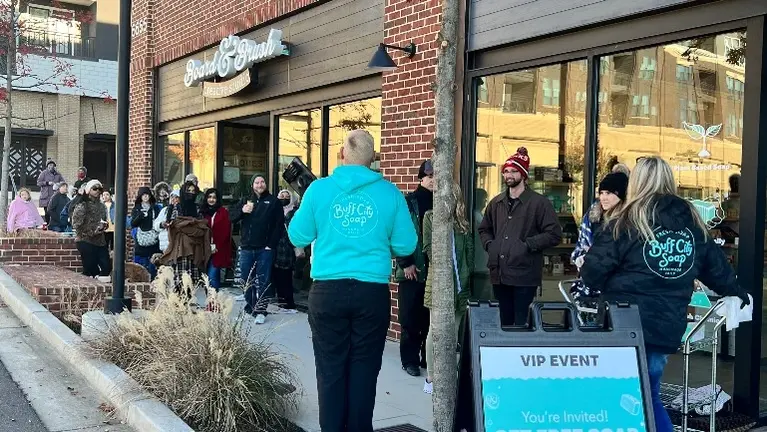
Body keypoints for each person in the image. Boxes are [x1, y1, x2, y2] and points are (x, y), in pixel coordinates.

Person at [580, 156, 750, 432]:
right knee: (647, 394)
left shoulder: (626, 220)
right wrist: (737, 292)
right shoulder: (691, 222)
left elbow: (592, 273)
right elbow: (717, 270)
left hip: (625, 322)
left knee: (631, 396)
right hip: (667, 324)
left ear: (636, 182)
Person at [288, 129, 417, 432]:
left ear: (342, 154)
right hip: (371, 292)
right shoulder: (390, 193)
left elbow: (297, 235)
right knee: (364, 372)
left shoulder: (318, 190)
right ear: (373, 159)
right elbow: (406, 245)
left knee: (330, 370)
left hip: (327, 291)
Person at [477, 147, 562, 326]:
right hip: (499, 273)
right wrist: (491, 245)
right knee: (503, 322)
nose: (509, 175)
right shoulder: (496, 202)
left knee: (522, 323)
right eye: (506, 171)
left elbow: (554, 234)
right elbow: (484, 229)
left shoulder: (539, 203)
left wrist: (526, 245)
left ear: (523, 175)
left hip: (524, 274)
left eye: (514, 171)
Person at [421, 182, 474, 395]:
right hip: (439, 283)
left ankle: (448, 376)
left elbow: (469, 252)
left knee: (453, 333)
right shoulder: (430, 217)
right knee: (435, 331)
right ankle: (431, 377)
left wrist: (466, 273)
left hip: (461, 285)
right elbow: (428, 247)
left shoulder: (462, 223)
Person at [394, 159, 434, 377]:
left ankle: (427, 358)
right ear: (421, 178)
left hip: (434, 270)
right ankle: (409, 360)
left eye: (436, 176)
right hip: (412, 268)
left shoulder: (443, 202)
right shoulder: (409, 202)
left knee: (429, 319)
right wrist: (406, 263)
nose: (433, 180)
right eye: (429, 176)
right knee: (410, 318)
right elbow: (398, 233)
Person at [229, 173, 284, 324]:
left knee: (263, 280)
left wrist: (270, 245)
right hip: (247, 247)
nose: (260, 185)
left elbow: (279, 225)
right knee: (246, 280)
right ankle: (251, 308)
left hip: (264, 249)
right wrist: (242, 211)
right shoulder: (245, 200)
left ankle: (261, 310)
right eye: (257, 182)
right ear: (252, 185)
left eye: (262, 182)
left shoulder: (273, 201)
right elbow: (231, 217)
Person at [159, 181, 210, 298]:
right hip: (181, 247)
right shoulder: (176, 207)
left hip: (195, 247)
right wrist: (190, 224)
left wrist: (187, 225)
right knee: (180, 279)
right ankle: (180, 304)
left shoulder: (197, 208)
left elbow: (202, 226)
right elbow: (174, 224)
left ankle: (189, 302)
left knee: (193, 280)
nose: (191, 193)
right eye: (188, 191)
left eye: (193, 191)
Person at [71, 180, 111, 282]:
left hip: (100, 241)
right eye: (94, 188)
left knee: (106, 267)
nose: (97, 191)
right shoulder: (82, 205)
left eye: (99, 189)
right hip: (85, 240)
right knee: (90, 268)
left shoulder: (102, 206)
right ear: (88, 190)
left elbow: (104, 220)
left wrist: (104, 226)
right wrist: (92, 231)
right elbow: (76, 224)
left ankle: (102, 287)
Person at [273, 189, 301, 311]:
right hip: (276, 247)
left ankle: (289, 303)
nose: (284, 198)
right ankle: (281, 302)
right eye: (281, 196)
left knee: (287, 276)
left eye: (287, 196)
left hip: (288, 248)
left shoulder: (295, 212)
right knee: (277, 276)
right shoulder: (274, 211)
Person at [200, 188, 232, 292]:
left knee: (212, 277)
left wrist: (216, 246)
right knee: (206, 279)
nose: (211, 199)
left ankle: (213, 299)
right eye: (209, 197)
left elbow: (226, 231)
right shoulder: (202, 212)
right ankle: (212, 300)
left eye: (214, 197)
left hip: (218, 249)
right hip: (204, 249)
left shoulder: (223, 212)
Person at [130, 187, 162, 279]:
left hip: (154, 239)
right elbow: (133, 224)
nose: (145, 197)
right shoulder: (137, 208)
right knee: (140, 266)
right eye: (143, 195)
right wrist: (140, 216)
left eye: (147, 195)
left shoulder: (156, 208)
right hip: (141, 239)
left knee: (154, 264)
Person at [37, 159, 65, 223]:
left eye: (52, 165)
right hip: (46, 196)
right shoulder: (44, 173)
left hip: (55, 195)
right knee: (47, 212)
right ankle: (47, 224)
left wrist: (58, 184)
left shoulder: (58, 174)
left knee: (54, 211)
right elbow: (39, 183)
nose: (51, 166)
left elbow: (63, 182)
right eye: (49, 165)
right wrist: (47, 183)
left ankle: (53, 224)